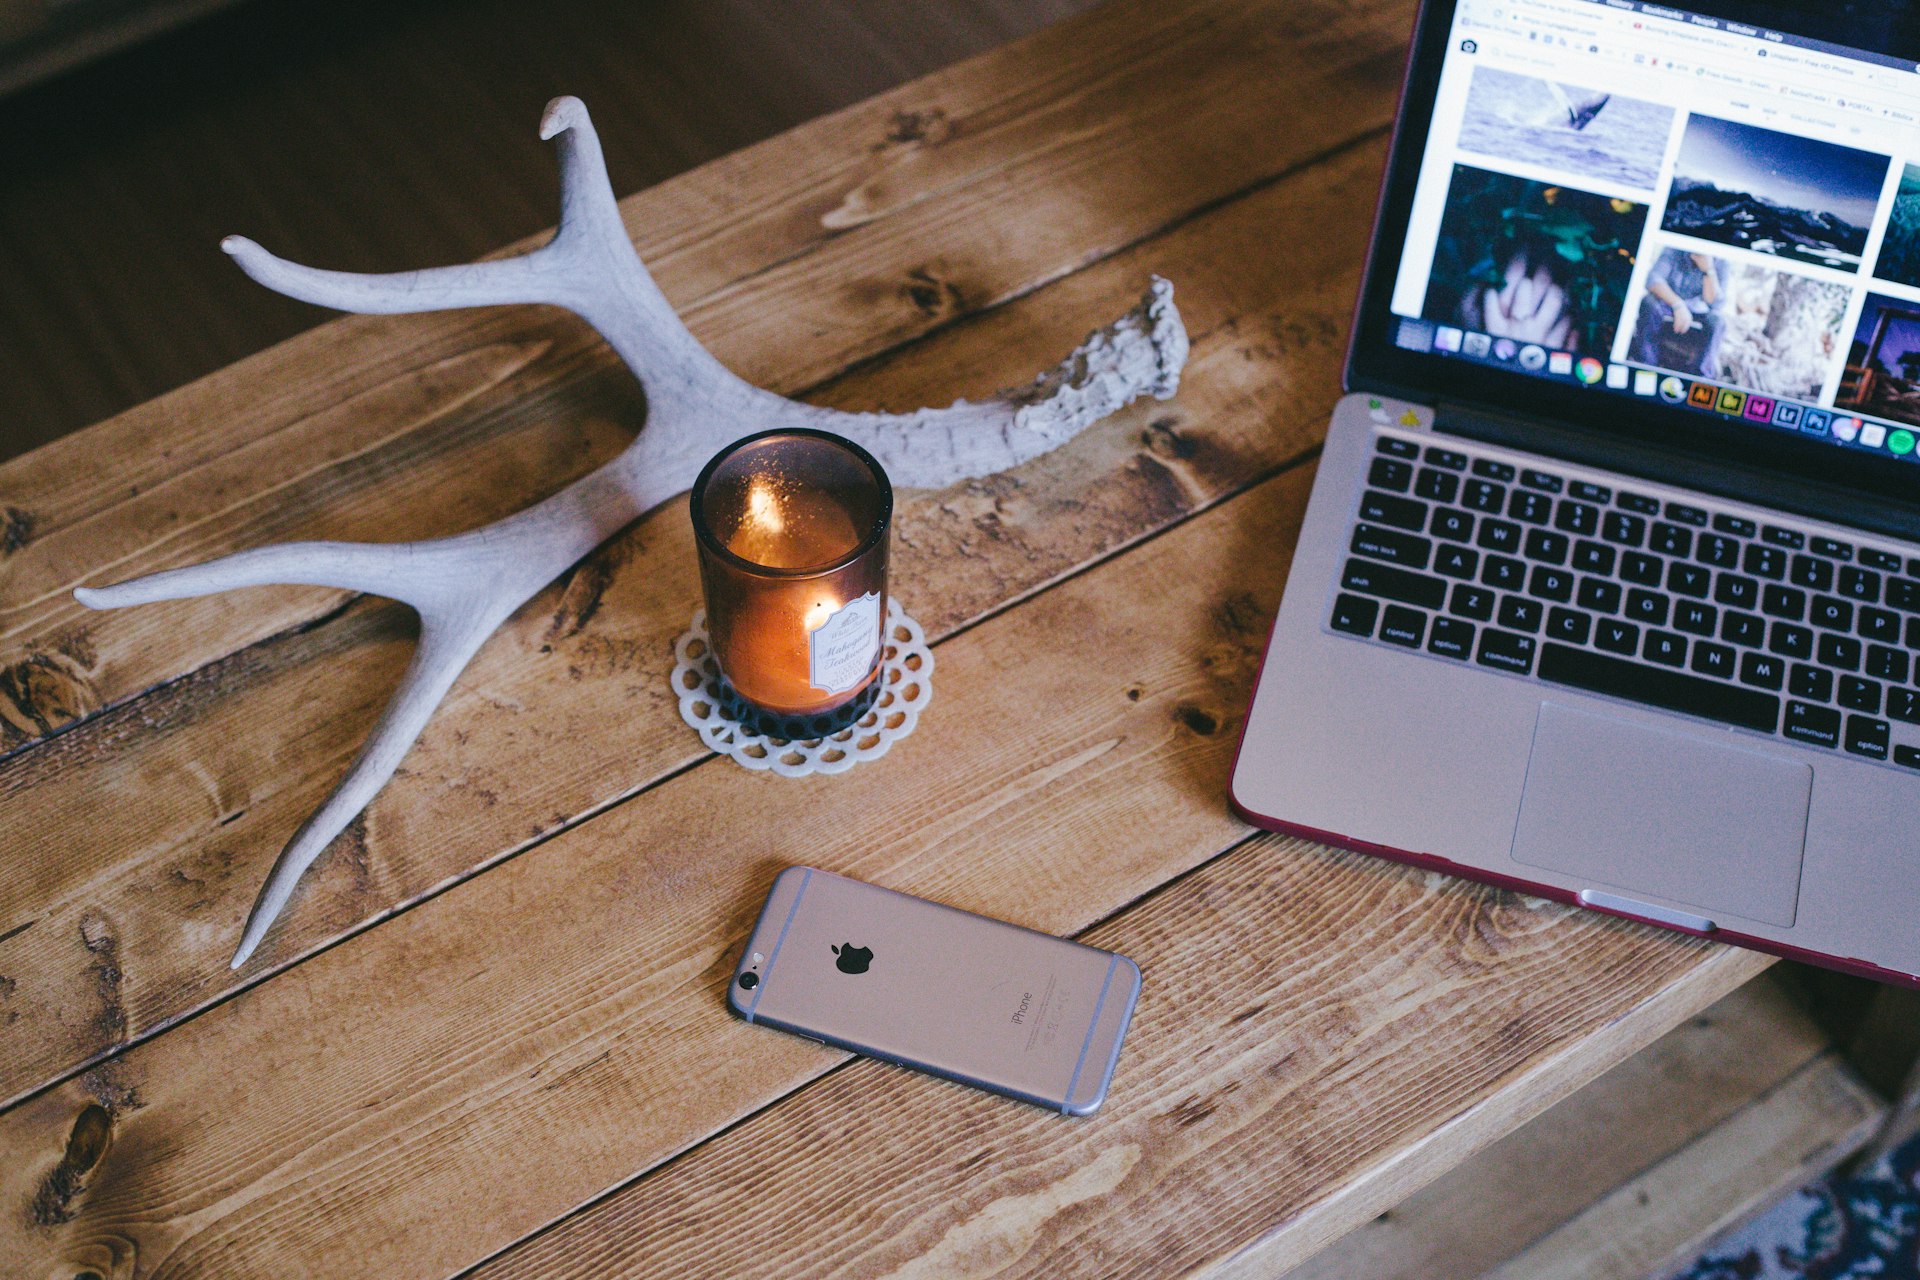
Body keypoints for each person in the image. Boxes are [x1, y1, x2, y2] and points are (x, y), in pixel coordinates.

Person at [1632, 247, 1727, 374]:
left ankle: (1701, 375)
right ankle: (1646, 365)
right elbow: (1653, 279)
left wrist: (1708, 270)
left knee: (1718, 321)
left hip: (1699, 311)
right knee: (1648, 302)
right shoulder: (1674, 249)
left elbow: (1715, 303)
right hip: (1669, 304)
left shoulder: (1722, 260)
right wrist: (1677, 304)